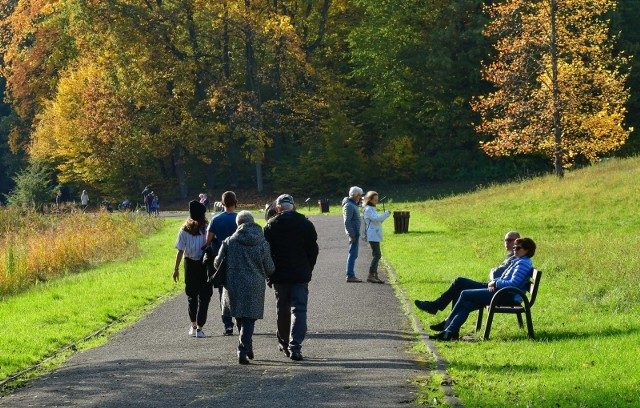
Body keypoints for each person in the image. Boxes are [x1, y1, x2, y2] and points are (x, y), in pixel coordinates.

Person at [422, 237, 536, 341]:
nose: (515, 249)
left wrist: (495, 282)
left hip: (507, 296)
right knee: (466, 301)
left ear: (527, 250)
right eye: (515, 247)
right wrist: (494, 282)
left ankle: (447, 322)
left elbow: (513, 283)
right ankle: (449, 332)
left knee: (464, 294)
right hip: (502, 293)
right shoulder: (519, 261)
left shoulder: (523, 264)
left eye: (518, 248)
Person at [214, 211, 275, 365]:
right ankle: (243, 349)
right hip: (254, 284)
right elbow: (270, 268)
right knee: (249, 318)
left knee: (240, 316)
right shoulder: (262, 242)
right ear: (252, 222)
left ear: (238, 224)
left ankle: (245, 347)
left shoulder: (229, 242)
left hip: (233, 284)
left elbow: (217, 263)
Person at [264, 194, 319, 361]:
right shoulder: (305, 224)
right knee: (299, 310)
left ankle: (284, 343)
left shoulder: (270, 226)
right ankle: (295, 346)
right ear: (293, 207)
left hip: (279, 275)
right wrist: (308, 268)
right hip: (300, 273)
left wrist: (269, 273)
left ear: (278, 208)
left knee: (282, 310)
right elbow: (313, 250)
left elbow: (266, 253)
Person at [415, 231, 520, 315]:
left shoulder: (515, 258)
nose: (507, 242)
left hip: (498, 290)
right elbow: (495, 273)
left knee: (459, 282)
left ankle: (436, 308)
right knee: (459, 285)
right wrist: (493, 273)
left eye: (510, 240)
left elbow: (495, 274)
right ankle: (447, 322)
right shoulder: (510, 256)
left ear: (517, 241)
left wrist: (493, 272)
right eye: (505, 240)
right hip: (494, 287)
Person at [173, 200, 213, 338]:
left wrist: (176, 268)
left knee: (192, 296)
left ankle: (193, 325)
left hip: (189, 264)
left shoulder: (184, 230)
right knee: (205, 296)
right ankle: (200, 328)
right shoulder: (207, 228)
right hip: (204, 264)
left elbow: (180, 251)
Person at [205, 191, 239, 335]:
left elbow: (207, 241)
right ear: (235, 202)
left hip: (221, 259)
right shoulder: (240, 218)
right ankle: (241, 321)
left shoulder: (216, 220)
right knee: (238, 289)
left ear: (222, 203)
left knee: (223, 291)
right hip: (238, 258)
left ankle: (228, 324)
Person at [361, 191, 391, 284]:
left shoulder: (371, 208)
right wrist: (386, 214)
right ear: (369, 199)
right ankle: (371, 275)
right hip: (372, 234)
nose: (376, 201)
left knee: (377, 254)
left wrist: (384, 217)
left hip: (375, 233)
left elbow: (377, 221)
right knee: (377, 255)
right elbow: (377, 219)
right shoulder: (369, 209)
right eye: (375, 200)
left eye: (377, 200)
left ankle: (375, 275)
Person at [342, 186, 363, 282]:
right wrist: (352, 234)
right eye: (359, 195)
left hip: (355, 232)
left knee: (354, 254)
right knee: (352, 254)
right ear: (355, 195)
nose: (360, 197)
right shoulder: (349, 205)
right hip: (353, 233)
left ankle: (350, 275)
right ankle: (350, 275)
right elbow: (347, 221)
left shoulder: (352, 204)